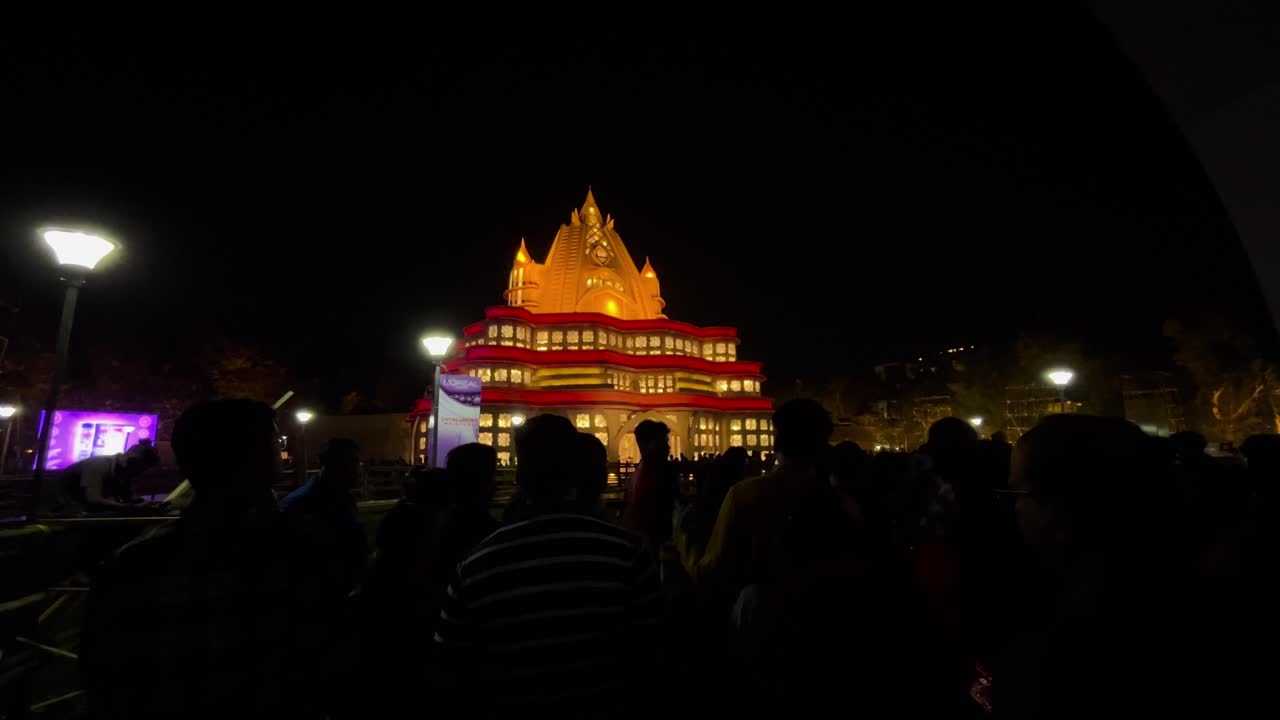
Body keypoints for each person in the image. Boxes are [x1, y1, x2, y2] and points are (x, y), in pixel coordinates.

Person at [81, 399, 337, 719]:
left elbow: (106, 685)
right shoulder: (293, 554)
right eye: (274, 442)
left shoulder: (133, 567)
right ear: (254, 458)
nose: (280, 452)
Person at [435, 414, 662, 714]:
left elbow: (451, 672)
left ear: (519, 477)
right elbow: (652, 657)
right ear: (576, 473)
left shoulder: (477, 566)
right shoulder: (627, 554)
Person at [279, 437, 368, 594]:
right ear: (328, 465)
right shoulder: (300, 505)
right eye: (347, 463)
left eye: (356, 462)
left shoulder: (344, 499)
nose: (355, 469)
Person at [46, 441, 159, 514]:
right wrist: (134, 508)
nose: (138, 474)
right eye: (139, 470)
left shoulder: (123, 469)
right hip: (61, 513)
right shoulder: (98, 465)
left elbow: (128, 497)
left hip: (78, 511)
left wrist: (148, 504)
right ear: (131, 461)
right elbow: (94, 500)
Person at [623, 419, 677, 545]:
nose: (668, 447)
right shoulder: (658, 472)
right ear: (651, 444)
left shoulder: (640, 471)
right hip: (654, 540)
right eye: (664, 441)